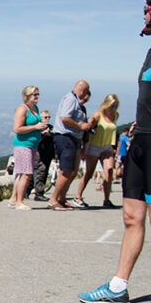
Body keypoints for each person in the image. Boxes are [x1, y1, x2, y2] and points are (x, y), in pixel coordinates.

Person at [79, 0, 151, 303]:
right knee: (132, 217)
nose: (145, 10)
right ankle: (118, 286)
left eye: (150, 5)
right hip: (142, 141)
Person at [49, 80, 95, 210]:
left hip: (73, 139)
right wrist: (80, 126)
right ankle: (54, 199)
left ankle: (61, 198)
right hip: (65, 137)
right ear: (82, 91)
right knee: (66, 170)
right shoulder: (71, 99)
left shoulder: (75, 102)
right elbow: (65, 117)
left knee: (71, 170)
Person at [72, 94, 120, 209]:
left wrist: (115, 147)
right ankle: (78, 196)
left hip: (107, 146)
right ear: (107, 104)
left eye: (116, 106)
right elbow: (89, 128)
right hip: (94, 146)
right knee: (89, 173)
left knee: (108, 171)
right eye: (112, 105)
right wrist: (85, 145)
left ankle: (107, 199)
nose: (114, 108)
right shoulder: (98, 114)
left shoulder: (115, 115)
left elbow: (114, 131)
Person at [8, 86, 48, 210]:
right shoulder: (22, 109)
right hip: (23, 145)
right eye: (34, 94)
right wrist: (35, 127)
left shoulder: (35, 108)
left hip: (32, 145)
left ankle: (14, 199)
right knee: (26, 173)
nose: (36, 96)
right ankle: (20, 202)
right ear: (27, 96)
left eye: (37, 94)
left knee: (22, 173)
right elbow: (17, 128)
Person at [28, 110, 55, 201]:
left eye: (49, 117)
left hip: (48, 154)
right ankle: (38, 193)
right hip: (38, 155)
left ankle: (27, 191)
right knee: (39, 173)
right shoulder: (36, 129)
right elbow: (33, 141)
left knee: (40, 173)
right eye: (45, 117)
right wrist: (42, 135)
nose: (47, 119)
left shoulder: (51, 129)